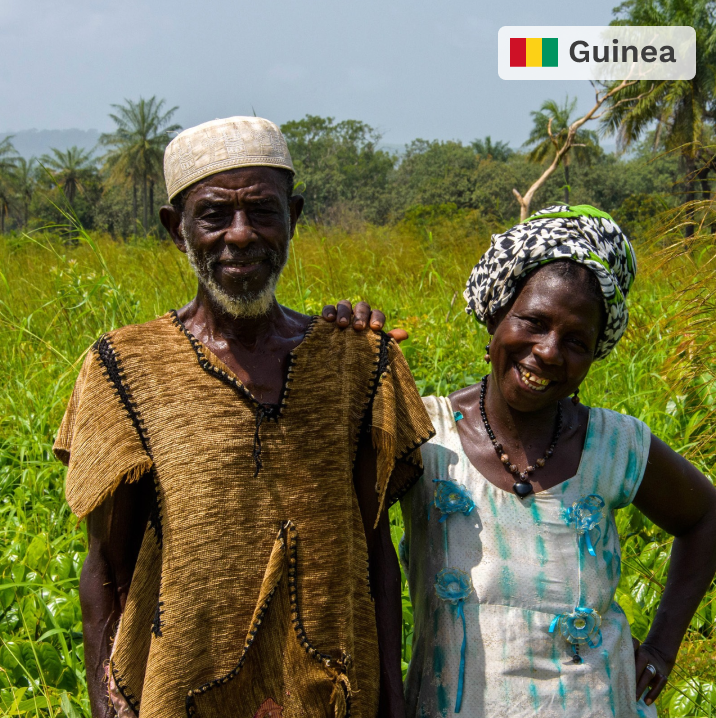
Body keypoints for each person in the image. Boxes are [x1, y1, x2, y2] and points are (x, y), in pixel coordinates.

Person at [53, 116, 435, 718]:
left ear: (294, 217)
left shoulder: (359, 358)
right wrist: (108, 705)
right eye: (213, 216)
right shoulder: (122, 367)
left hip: (333, 692)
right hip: (179, 692)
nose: (240, 235)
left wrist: (392, 700)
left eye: (262, 211)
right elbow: (105, 563)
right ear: (176, 229)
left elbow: (375, 550)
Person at [323, 205, 716, 718]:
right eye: (533, 322)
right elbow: (346, 531)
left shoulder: (614, 445)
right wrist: (336, 358)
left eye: (576, 341)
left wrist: (662, 648)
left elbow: (706, 516)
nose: (550, 351)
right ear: (497, 316)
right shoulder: (426, 435)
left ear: (596, 354)